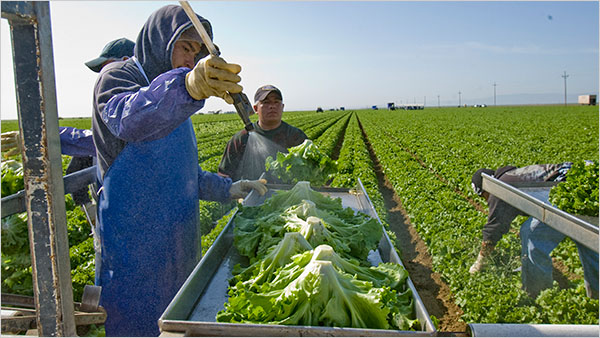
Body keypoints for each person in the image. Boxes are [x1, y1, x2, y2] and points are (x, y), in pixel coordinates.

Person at [90, 5, 267, 336]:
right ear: (161, 41)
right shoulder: (119, 78)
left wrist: (227, 188)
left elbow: (184, 175)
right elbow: (129, 120)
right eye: (186, 47)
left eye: (197, 52)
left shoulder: (178, 104)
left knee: (178, 325)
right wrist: (186, 87)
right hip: (135, 256)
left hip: (180, 248)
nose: (192, 58)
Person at [470, 163, 598, 299]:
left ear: (485, 189)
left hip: (566, 191)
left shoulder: (499, 188)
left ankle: (538, 293)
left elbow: (494, 229)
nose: (487, 201)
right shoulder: (512, 176)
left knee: (532, 234)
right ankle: (597, 295)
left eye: (484, 197)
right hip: (587, 184)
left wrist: (480, 261)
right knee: (589, 238)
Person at [218, 85, 308, 181]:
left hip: (289, 194)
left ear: (282, 107)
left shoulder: (295, 136)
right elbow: (224, 174)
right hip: (249, 194)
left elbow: (310, 170)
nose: (272, 106)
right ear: (256, 109)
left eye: (276, 102)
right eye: (266, 102)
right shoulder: (241, 138)